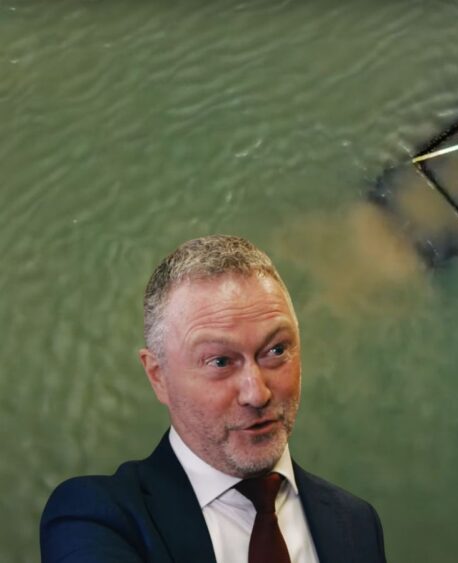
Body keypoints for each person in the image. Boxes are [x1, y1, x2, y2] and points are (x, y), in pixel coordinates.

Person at [40, 235, 387, 563]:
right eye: (220, 361)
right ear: (158, 377)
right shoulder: (95, 518)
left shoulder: (355, 523)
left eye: (276, 350)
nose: (257, 393)